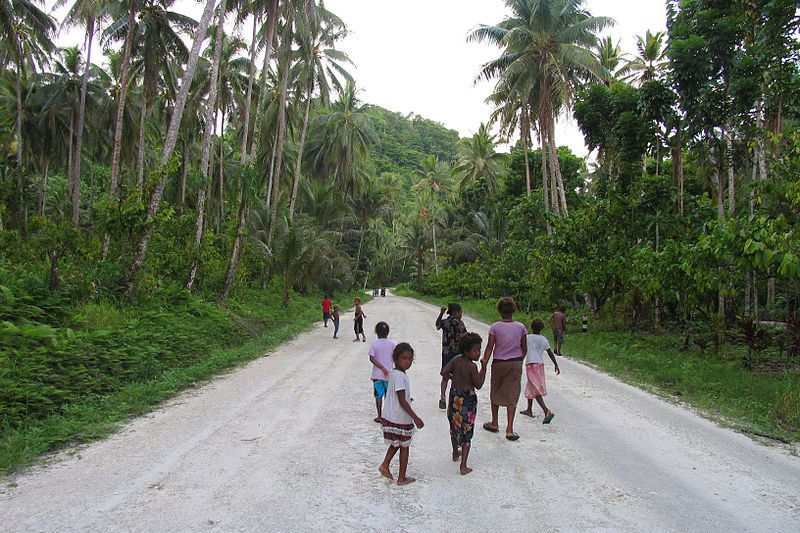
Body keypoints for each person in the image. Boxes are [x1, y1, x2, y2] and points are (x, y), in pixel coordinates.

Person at [481, 297, 528, 441]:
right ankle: (509, 429)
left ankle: (494, 422)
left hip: (499, 363)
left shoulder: (494, 327)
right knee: (512, 393)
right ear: (513, 310)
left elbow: (490, 347)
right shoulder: (521, 327)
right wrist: (520, 359)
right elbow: (524, 347)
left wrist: (484, 362)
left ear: (499, 310)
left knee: (495, 390)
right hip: (515, 363)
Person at [441, 332, 486, 475]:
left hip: (454, 395)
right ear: (466, 350)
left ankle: (455, 452)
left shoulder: (455, 360)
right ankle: (463, 466)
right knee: (467, 430)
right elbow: (478, 384)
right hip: (468, 398)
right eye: (475, 350)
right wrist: (483, 368)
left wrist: (454, 377)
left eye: (479, 349)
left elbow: (443, 372)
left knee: (454, 425)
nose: (478, 353)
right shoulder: (472, 366)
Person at [379, 343, 424, 485]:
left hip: (392, 416)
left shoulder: (394, 373)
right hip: (400, 417)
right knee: (404, 446)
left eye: (410, 359)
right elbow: (401, 400)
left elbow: (400, 395)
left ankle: (385, 465)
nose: (408, 361)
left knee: (396, 443)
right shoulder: (399, 376)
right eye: (404, 358)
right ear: (396, 358)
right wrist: (415, 417)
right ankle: (402, 477)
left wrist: (408, 398)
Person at [519, 318, 559, 423]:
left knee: (534, 388)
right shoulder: (543, 339)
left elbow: (523, 351)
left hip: (531, 365)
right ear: (542, 328)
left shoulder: (527, 338)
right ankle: (529, 410)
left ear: (531, 327)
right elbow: (550, 352)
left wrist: (519, 362)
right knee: (531, 386)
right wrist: (556, 364)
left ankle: (546, 410)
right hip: (540, 365)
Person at [435, 303, 466, 409]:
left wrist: (441, 314)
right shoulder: (460, 323)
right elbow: (464, 337)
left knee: (445, 377)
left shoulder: (445, 322)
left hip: (446, 353)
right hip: (457, 354)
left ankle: (442, 397)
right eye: (461, 312)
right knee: (456, 377)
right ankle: (455, 399)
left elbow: (437, 325)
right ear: (456, 312)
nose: (461, 314)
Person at [369, 322, 396, 423]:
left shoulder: (374, 344)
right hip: (389, 375)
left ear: (376, 332)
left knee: (378, 395)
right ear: (388, 332)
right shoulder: (393, 344)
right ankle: (389, 416)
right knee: (389, 396)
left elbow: (372, 358)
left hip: (377, 375)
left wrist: (381, 367)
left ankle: (379, 416)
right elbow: (396, 357)